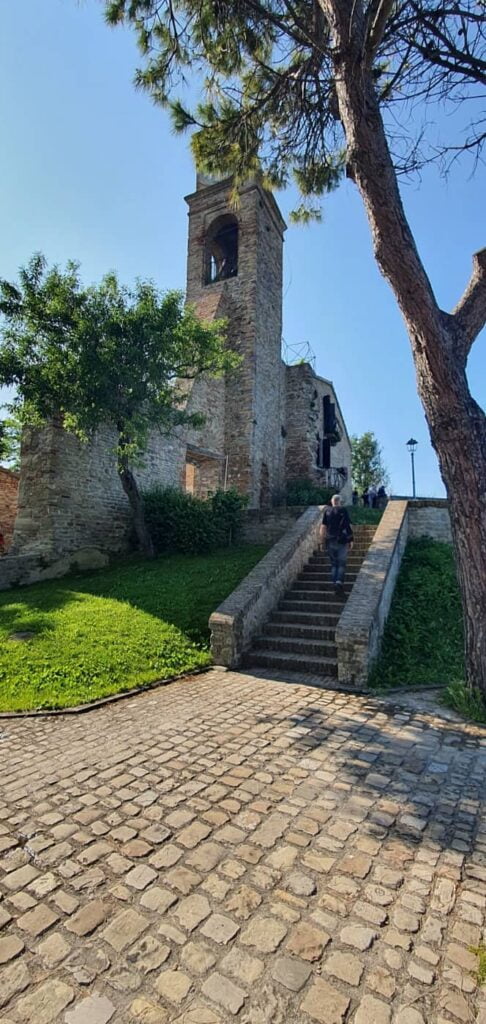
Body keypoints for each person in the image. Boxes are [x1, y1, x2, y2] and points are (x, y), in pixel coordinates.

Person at [320, 494, 354, 593]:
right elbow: (348, 526)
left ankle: (334, 583)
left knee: (334, 564)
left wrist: (322, 541)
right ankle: (338, 582)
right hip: (341, 540)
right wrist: (351, 539)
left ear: (332, 501)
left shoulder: (327, 511)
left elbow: (323, 527)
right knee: (341, 564)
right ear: (339, 501)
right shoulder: (343, 510)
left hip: (330, 540)